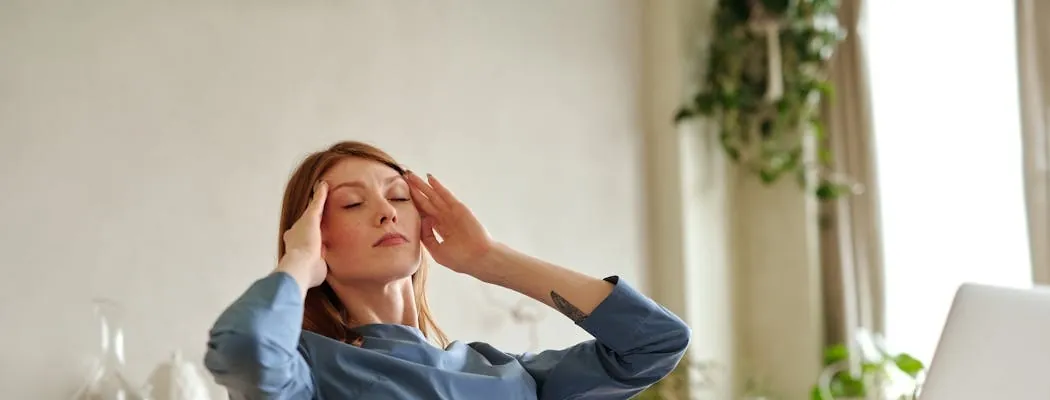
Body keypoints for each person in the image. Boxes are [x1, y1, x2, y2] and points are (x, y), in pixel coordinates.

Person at [203, 141, 691, 399]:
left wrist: (491, 260)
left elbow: (653, 344)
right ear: (315, 234)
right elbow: (245, 349)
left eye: (398, 196)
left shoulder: (507, 373)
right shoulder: (309, 371)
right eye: (352, 204)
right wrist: (298, 263)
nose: (387, 212)